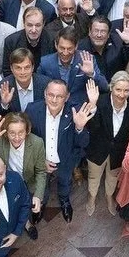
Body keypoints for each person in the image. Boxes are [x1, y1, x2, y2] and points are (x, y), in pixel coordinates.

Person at [26, 79, 94, 222]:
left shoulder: (75, 112)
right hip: (41, 161)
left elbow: (83, 143)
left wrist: (79, 128)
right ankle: (42, 202)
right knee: (42, 184)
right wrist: (40, 160)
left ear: (67, 97)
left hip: (65, 160)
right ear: (45, 94)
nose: (55, 100)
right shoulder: (32, 110)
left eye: (60, 96)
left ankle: (64, 200)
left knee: (65, 182)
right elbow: (27, 140)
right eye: (51, 95)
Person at [0, 113, 47, 240]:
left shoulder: (37, 143)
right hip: (7, 181)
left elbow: (41, 172)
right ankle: (23, 224)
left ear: (27, 131)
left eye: (21, 133)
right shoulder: (0, 139)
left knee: (29, 205)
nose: (16, 138)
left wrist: (38, 195)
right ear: (6, 132)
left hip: (28, 181)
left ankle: (28, 223)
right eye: (12, 133)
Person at [84, 73, 129, 216]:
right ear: (111, 88)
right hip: (97, 150)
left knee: (112, 177)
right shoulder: (99, 101)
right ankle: (92, 196)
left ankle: (109, 196)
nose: (122, 95)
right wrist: (92, 105)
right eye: (118, 90)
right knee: (93, 177)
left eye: (126, 91)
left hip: (119, 152)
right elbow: (92, 128)